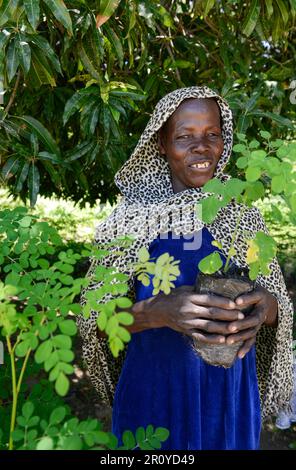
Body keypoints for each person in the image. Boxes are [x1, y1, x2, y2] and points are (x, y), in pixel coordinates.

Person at [77, 86, 294, 450]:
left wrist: (265, 309)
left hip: (229, 399)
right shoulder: (128, 222)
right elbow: (93, 321)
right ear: (161, 143)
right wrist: (156, 312)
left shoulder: (242, 217)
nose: (202, 147)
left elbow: (279, 308)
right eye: (184, 137)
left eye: (212, 135)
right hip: (156, 397)